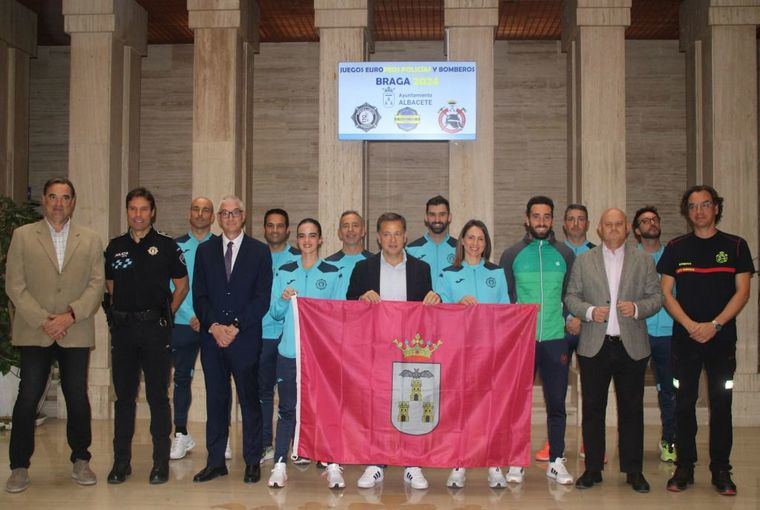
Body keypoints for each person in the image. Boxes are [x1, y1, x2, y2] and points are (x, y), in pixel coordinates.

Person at [4, 178, 105, 494]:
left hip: (74, 328)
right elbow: (14, 284)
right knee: (28, 396)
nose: (58, 203)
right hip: (35, 329)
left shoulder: (89, 239)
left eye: (65, 198)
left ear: (73, 202)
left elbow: (96, 284)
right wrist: (43, 319)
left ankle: (81, 459)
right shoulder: (23, 236)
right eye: (52, 197)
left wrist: (70, 315)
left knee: (77, 395)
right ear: (45, 201)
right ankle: (19, 466)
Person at [658, 185, 754, 496]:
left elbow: (743, 292)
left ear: (716, 208)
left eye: (706, 205)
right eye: (694, 206)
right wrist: (689, 325)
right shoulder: (676, 247)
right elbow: (666, 294)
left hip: (721, 341)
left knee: (721, 404)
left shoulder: (736, 246)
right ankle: (684, 467)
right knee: (683, 404)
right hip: (685, 341)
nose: (700, 211)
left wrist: (715, 324)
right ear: (687, 212)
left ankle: (721, 470)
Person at [565, 208, 662, 493]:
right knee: (593, 409)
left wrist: (637, 308)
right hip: (594, 346)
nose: (614, 229)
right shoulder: (584, 261)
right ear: (599, 229)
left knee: (631, 410)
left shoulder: (643, 260)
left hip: (631, 346)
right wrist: (590, 311)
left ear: (628, 228)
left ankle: (634, 470)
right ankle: (593, 469)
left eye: (619, 224)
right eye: (608, 224)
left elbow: (656, 297)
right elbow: (571, 297)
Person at [347, 212, 441, 490]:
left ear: (405, 236)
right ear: (377, 237)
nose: (392, 239)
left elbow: (431, 308)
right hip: (374, 350)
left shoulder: (420, 269)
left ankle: (412, 464)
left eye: (397, 233)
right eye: (386, 234)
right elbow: (349, 304)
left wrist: (436, 299)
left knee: (411, 405)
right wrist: (361, 299)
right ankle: (376, 462)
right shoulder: (363, 269)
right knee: (376, 405)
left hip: (411, 352)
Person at [104, 187, 189, 485]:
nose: (138, 214)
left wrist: (167, 315)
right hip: (124, 331)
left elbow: (182, 286)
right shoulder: (115, 246)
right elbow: (110, 287)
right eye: (132, 209)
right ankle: (121, 463)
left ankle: (159, 463)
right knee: (124, 398)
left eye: (143, 209)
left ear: (152, 212)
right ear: (127, 212)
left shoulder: (166, 246)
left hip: (155, 331)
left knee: (157, 397)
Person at [192, 196, 272, 484]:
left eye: (235, 212)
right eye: (224, 213)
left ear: (243, 215)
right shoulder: (204, 251)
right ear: (218, 218)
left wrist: (235, 326)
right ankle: (215, 462)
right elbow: (199, 295)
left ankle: (252, 461)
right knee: (216, 401)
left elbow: (262, 298)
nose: (229, 217)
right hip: (212, 339)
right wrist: (214, 325)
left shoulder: (259, 252)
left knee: (249, 401)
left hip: (245, 339)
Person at [499, 196, 575, 485]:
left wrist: (567, 318)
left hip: (556, 339)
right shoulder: (512, 254)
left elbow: (570, 294)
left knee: (557, 403)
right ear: (526, 219)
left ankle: (556, 460)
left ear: (552, 220)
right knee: (518, 403)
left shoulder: (565, 254)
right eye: (536, 216)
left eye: (546, 216)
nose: (541, 221)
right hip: (523, 341)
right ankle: (516, 461)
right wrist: (518, 313)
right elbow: (506, 297)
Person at [266, 219, 346, 489]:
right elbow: (275, 314)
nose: (307, 240)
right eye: (302, 236)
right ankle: (279, 464)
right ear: (296, 240)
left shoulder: (333, 272)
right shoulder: (283, 270)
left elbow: (340, 316)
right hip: (289, 352)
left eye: (312, 236)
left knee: (326, 408)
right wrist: (282, 300)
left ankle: (332, 463)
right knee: (287, 409)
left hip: (321, 355)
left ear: (321, 240)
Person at [436, 219, 511, 489]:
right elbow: (439, 310)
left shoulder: (498, 272)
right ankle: (459, 464)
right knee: (461, 410)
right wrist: (457, 303)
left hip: (491, 353)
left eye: (480, 238)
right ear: (462, 241)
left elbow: (506, 312)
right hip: (459, 352)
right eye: (470, 237)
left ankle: (494, 465)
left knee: (491, 410)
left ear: (486, 243)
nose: (475, 243)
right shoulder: (447, 273)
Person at [536, 203, 597, 463]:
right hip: (557, 330)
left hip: (587, 329)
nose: (575, 224)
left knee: (591, 388)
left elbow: (599, 294)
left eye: (580, 219)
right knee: (556, 391)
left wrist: (580, 319)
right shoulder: (554, 251)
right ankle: (554, 442)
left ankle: (590, 441)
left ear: (587, 223)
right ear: (562, 224)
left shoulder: (596, 253)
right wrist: (567, 318)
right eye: (570, 219)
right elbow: (555, 296)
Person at [169, 197, 215, 461]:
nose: (200, 214)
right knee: (181, 379)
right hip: (183, 323)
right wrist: (187, 315)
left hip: (212, 325)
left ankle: (221, 436)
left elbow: (226, 287)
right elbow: (169, 287)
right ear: (189, 214)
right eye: (196, 209)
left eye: (206, 210)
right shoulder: (174, 246)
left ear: (213, 216)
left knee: (217, 380)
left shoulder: (222, 246)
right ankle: (181, 433)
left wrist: (207, 317)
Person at [632, 205, 676, 463]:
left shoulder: (673, 254)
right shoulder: (630, 257)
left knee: (669, 391)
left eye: (654, 220)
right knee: (632, 391)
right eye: (645, 221)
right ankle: (631, 444)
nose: (651, 224)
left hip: (670, 334)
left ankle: (669, 440)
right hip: (638, 332)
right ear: (637, 230)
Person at [260, 208, 301, 463]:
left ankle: (297, 444)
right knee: (264, 392)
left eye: (280, 226)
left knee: (294, 396)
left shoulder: (299, 258)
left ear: (287, 230)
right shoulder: (255, 255)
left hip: (290, 338)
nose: (275, 230)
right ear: (265, 229)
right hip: (262, 334)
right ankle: (266, 443)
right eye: (270, 225)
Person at [406, 195, 456, 282]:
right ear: (426, 217)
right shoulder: (411, 250)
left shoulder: (460, 248)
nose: (437, 219)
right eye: (432, 214)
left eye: (442, 214)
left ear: (449, 217)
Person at [325, 210, 373, 280]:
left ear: (363, 231)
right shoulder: (328, 264)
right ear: (339, 233)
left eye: (355, 225)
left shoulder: (375, 262)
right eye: (345, 226)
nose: (350, 229)